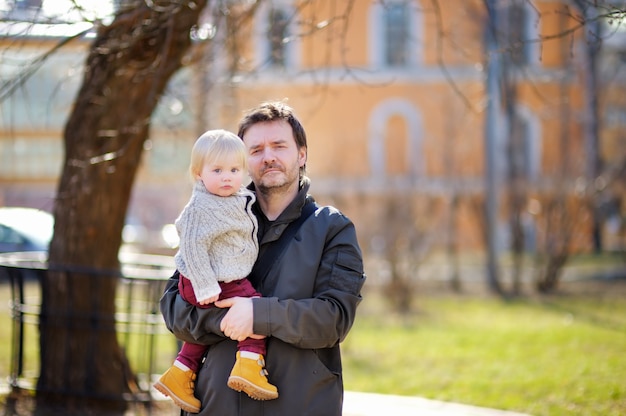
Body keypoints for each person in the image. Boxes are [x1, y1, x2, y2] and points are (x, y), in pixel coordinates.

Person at [160, 101, 366, 415]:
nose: (267, 156)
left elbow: (333, 319)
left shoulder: (332, 228)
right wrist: (231, 318)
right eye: (255, 150)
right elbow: (174, 308)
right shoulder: (209, 215)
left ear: (302, 154)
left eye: (279, 146)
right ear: (243, 161)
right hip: (214, 407)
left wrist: (259, 314)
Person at [154, 129, 278, 414]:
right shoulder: (202, 207)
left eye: (235, 170)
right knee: (254, 310)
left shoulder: (234, 197)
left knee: (206, 332)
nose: (227, 177)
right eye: (218, 170)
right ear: (199, 174)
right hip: (209, 280)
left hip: (218, 277)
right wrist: (206, 286)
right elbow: (193, 248)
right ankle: (248, 365)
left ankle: (180, 373)